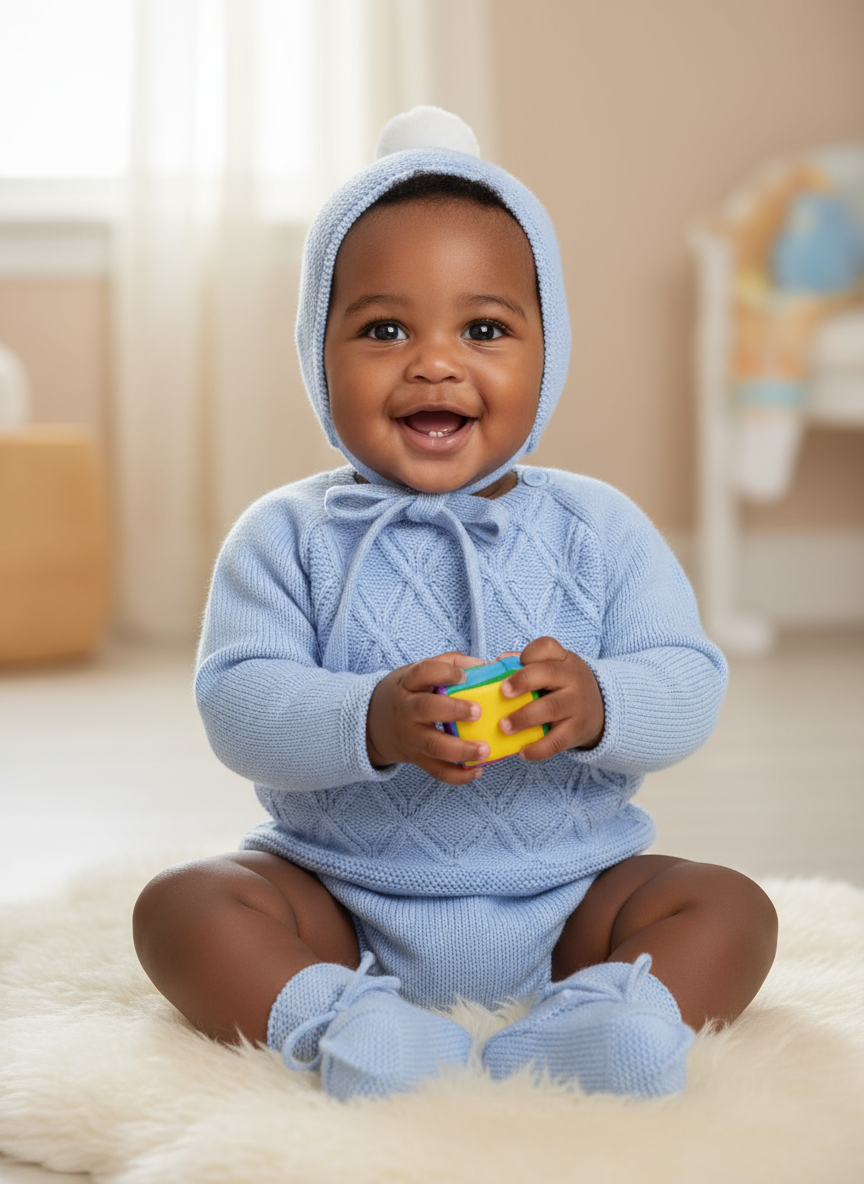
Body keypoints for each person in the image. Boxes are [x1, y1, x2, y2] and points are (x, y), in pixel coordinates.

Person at [133, 107, 778, 1103]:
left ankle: (602, 1015)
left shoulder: (596, 527)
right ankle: (344, 1019)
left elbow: (688, 678)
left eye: (483, 328)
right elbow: (240, 702)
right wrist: (370, 720)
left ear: (545, 348)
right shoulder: (284, 534)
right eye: (385, 327)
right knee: (183, 907)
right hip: (341, 892)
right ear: (320, 352)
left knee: (732, 909)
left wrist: (600, 700)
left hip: (569, 894)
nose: (435, 361)